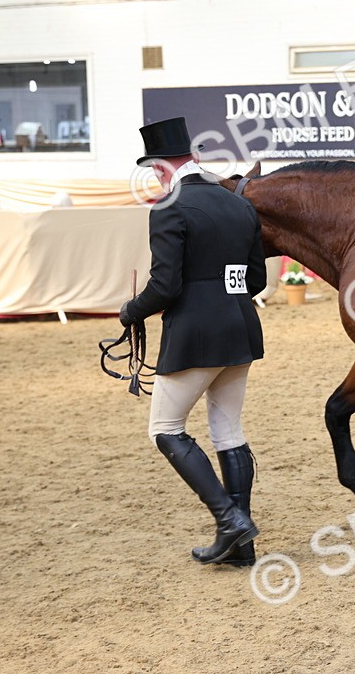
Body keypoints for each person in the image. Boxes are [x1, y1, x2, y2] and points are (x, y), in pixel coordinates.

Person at [120, 117, 266, 566]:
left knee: (164, 428)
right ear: (194, 158)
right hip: (239, 329)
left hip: (196, 335)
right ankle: (242, 548)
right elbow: (255, 278)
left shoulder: (169, 207)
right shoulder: (239, 205)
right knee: (228, 432)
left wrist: (131, 311)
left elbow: (165, 286)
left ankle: (229, 520)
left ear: (161, 168)